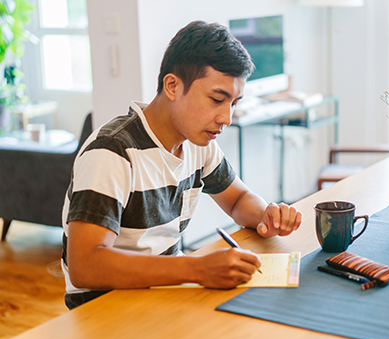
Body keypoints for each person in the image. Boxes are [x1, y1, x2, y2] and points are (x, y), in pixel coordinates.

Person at [61, 20, 302, 309]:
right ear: (173, 86)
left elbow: (237, 199)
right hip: (105, 305)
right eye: (217, 99)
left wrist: (266, 215)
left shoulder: (198, 145)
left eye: (234, 103)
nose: (226, 117)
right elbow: (86, 265)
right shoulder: (112, 152)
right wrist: (197, 269)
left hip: (163, 293)